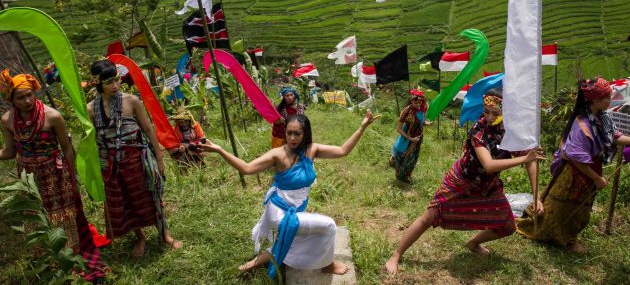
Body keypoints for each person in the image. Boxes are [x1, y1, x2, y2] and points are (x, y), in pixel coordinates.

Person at [383, 89, 545, 275]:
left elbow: (531, 160)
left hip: (488, 186)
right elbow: (489, 164)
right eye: (486, 111)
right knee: (430, 216)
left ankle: (474, 243)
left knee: (507, 226)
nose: (490, 117)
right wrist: (524, 159)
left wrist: (536, 196)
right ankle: (396, 255)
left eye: (495, 113)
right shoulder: (479, 130)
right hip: (461, 180)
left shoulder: (514, 131)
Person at [201, 110, 379, 279]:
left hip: (295, 209)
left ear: (306, 134)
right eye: (289, 133)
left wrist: (363, 126)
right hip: (279, 213)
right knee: (329, 226)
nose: (292, 138)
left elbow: (342, 151)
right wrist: (220, 150)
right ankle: (327, 265)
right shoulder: (278, 154)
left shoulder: (311, 149)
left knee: (292, 241)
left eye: (297, 134)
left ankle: (248, 266)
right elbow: (247, 168)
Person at [0, 70, 106, 282]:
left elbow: (67, 148)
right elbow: (10, 152)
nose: (28, 100)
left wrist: (72, 176)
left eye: (30, 94)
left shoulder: (52, 116)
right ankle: (50, 259)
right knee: (39, 216)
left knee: (65, 215)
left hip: (55, 174)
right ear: (11, 99)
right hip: (28, 177)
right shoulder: (7, 120)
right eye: (21, 97)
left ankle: (75, 258)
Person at [516, 77, 630, 252]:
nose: (610, 100)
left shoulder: (603, 117)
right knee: (564, 208)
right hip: (576, 173)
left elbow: (616, 136)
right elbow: (575, 158)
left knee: (581, 207)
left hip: (590, 167)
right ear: (595, 100)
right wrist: (597, 178)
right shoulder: (581, 126)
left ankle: (567, 237)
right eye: (607, 97)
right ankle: (562, 238)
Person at [87, 60, 181, 257]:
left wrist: (159, 158)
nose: (114, 86)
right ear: (98, 83)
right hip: (110, 164)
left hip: (137, 160)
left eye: (116, 80)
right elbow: (91, 140)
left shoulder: (131, 101)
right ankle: (139, 236)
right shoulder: (90, 110)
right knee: (124, 201)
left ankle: (164, 234)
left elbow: (148, 129)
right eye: (108, 82)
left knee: (151, 196)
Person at [389, 89, 430, 183]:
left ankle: (406, 174)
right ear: (411, 101)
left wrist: (427, 123)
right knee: (403, 157)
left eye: (420, 102)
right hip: (407, 138)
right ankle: (400, 175)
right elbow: (398, 129)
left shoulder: (422, 109)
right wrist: (410, 138)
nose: (418, 105)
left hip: (418, 138)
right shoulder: (406, 111)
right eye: (416, 103)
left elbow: (422, 122)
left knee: (414, 157)